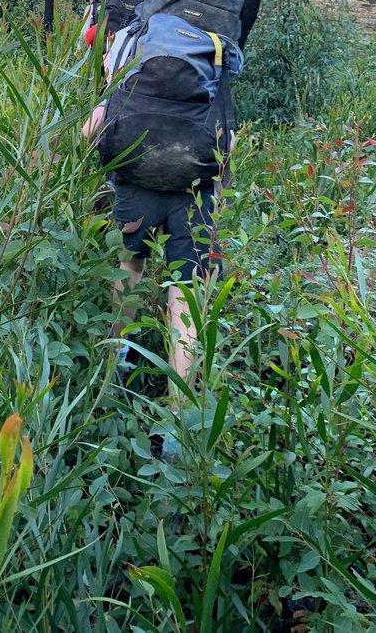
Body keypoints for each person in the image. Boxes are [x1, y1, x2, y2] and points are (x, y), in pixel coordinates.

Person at [82, 28, 230, 463]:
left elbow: (94, 126)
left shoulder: (136, 35)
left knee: (130, 266)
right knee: (186, 291)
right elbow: (228, 140)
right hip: (196, 191)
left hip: (135, 181)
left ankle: (114, 373)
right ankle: (176, 422)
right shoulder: (214, 44)